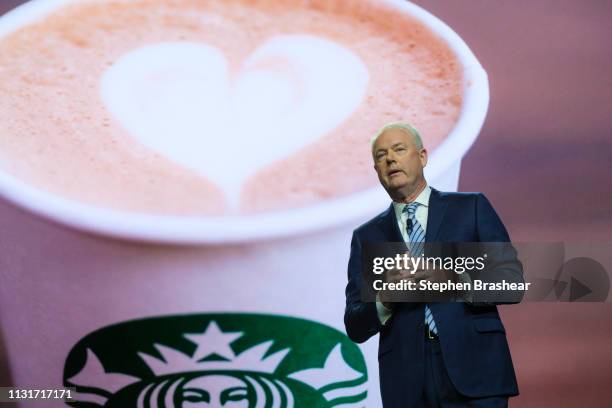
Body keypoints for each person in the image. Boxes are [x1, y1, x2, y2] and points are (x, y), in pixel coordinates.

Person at [344, 122, 523, 407]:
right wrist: (385, 299)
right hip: (407, 382)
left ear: (423, 156)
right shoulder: (367, 236)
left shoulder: (471, 208)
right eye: (380, 156)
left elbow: (511, 284)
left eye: (399, 149)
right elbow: (355, 324)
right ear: (377, 171)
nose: (390, 159)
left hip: (476, 368)